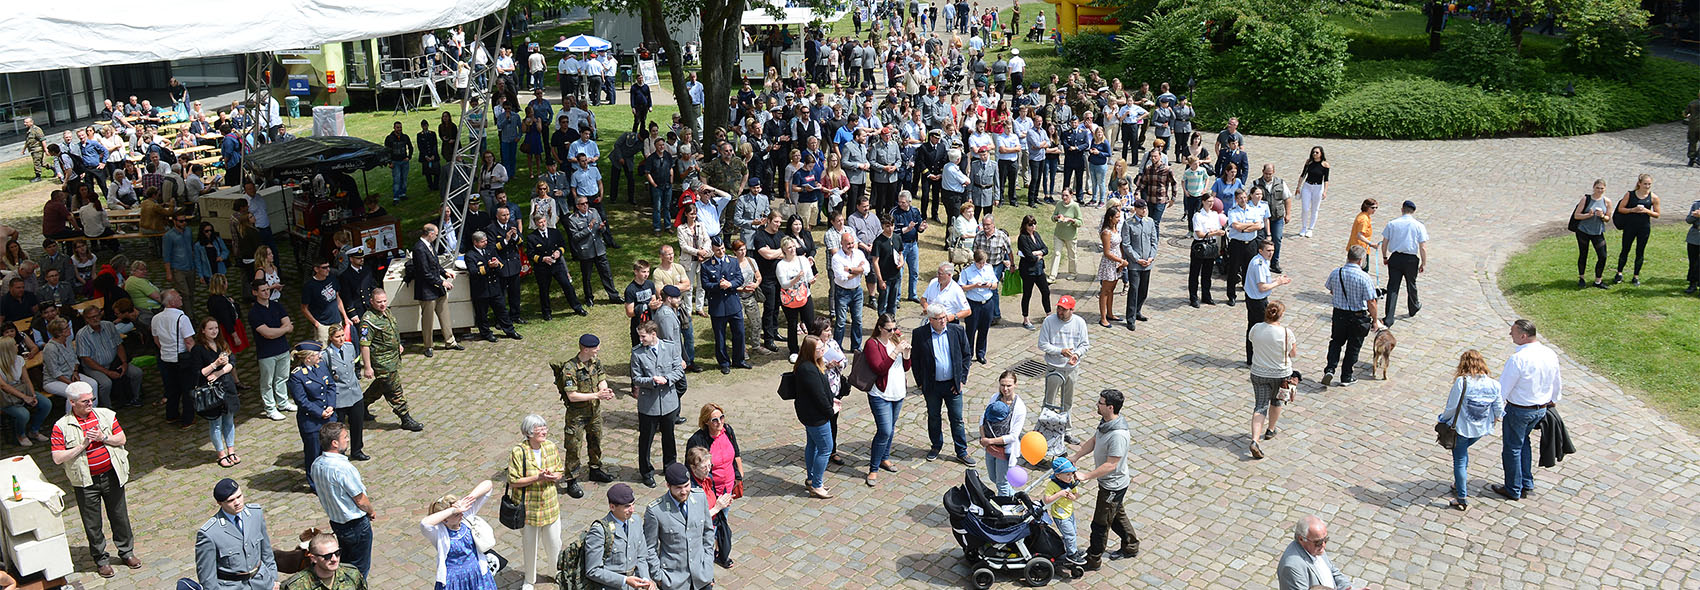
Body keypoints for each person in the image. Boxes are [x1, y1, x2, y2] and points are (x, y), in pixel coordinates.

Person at [49, 382, 138, 579]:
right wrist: (82, 445)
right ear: (72, 403)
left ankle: (127, 552)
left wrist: (103, 437)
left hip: (112, 475)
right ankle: (101, 560)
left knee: (120, 516)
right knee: (92, 523)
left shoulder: (105, 415)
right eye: (85, 401)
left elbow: (121, 439)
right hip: (85, 481)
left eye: (92, 400)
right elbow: (57, 458)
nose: (90, 403)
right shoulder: (61, 426)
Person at [1492, 319, 1561, 502]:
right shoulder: (1549, 353)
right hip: (1540, 409)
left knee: (1512, 448)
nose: (1510, 335)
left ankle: (1513, 488)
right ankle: (1526, 481)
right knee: (1524, 443)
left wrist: (1496, 412)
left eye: (1512, 332)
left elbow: (1503, 389)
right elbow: (1556, 380)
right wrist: (1553, 401)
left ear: (1523, 336)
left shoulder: (1518, 359)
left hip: (1519, 410)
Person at [1434, 349, 1507, 511]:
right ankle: (1458, 483)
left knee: (1459, 460)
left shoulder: (1462, 382)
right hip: (1480, 430)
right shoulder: (1494, 384)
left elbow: (1451, 407)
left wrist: (1442, 420)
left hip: (1461, 428)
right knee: (1463, 453)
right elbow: (1499, 410)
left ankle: (1461, 497)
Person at [553, 334, 617, 498]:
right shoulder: (570, 368)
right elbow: (572, 396)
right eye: (596, 347)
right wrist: (597, 395)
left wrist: (605, 390)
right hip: (577, 416)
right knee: (574, 447)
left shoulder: (595, 361)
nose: (598, 349)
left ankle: (595, 469)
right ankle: (571, 479)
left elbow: (601, 378)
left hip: (594, 412)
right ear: (586, 349)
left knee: (595, 441)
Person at [644, 462, 724, 590]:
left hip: (701, 576)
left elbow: (708, 531)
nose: (684, 491)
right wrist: (658, 576)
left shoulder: (699, 497)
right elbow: (649, 547)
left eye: (687, 486)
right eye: (678, 488)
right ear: (668, 485)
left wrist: (708, 563)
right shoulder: (656, 511)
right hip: (674, 581)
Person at [912, 304, 974, 465]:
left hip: (953, 384)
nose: (942, 321)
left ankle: (962, 451)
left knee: (957, 419)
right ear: (930, 320)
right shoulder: (919, 334)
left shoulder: (957, 331)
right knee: (933, 417)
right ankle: (936, 446)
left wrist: (961, 379)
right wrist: (920, 383)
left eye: (944, 317)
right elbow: (915, 360)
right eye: (938, 319)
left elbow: (966, 355)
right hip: (932, 386)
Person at [309, 423, 373, 577]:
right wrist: (371, 511)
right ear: (334, 443)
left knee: (344, 566)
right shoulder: (342, 468)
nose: (348, 440)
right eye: (345, 437)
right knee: (359, 570)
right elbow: (360, 499)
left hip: (337, 524)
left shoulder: (316, 464)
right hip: (355, 525)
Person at [508, 415, 564, 590]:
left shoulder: (550, 447)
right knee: (530, 546)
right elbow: (513, 481)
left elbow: (560, 471)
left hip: (550, 505)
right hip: (529, 508)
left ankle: (554, 573)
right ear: (529, 433)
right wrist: (537, 478)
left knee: (555, 543)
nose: (543, 432)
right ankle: (529, 579)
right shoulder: (518, 452)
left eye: (544, 428)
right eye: (539, 429)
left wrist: (555, 476)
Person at [685, 404, 744, 568]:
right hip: (711, 490)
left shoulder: (728, 430)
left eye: (722, 417)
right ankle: (707, 554)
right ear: (706, 422)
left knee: (722, 519)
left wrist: (739, 476)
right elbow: (691, 468)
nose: (720, 422)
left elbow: (735, 453)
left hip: (728, 487)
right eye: (715, 420)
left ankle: (719, 550)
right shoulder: (697, 440)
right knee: (711, 523)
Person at [358, 288, 424, 432]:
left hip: (393, 358)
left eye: (384, 301)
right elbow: (364, 345)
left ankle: (361, 405)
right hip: (382, 362)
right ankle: (405, 417)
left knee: (382, 385)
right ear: (371, 302)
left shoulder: (386, 312)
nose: (382, 304)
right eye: (379, 302)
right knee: (394, 390)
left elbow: (391, 331)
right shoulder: (368, 321)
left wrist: (397, 344)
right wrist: (367, 367)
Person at [194, 478, 278, 590]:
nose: (237, 503)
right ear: (220, 503)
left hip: (263, 583)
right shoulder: (210, 534)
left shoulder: (255, 514)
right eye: (231, 500)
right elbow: (207, 578)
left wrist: (273, 579)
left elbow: (266, 551)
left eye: (239, 496)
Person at [632, 321, 686, 488]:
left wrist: (667, 379)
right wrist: (652, 381)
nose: (641, 340)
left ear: (653, 334)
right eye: (640, 336)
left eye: (643, 336)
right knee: (646, 439)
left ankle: (670, 466)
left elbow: (679, 369)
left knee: (669, 437)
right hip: (649, 405)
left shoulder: (669, 348)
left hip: (669, 403)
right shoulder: (637, 353)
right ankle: (646, 472)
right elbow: (636, 378)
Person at [1321, 246, 1383, 388]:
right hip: (1358, 316)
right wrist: (1375, 320)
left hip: (1339, 314)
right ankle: (1346, 376)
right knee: (1353, 347)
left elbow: (1331, 289)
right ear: (1361, 260)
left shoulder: (1337, 272)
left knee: (1336, 342)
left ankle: (1330, 368)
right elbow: (1371, 302)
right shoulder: (1364, 277)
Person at [419, 479, 497, 590]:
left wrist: (467, 499)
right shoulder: (438, 531)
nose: (461, 515)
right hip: (454, 581)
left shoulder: (466, 516)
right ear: (444, 520)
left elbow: (488, 485)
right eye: (456, 515)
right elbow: (424, 523)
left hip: (477, 573)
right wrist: (451, 511)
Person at [1245, 299, 1298, 460]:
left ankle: (1254, 440)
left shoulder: (1256, 328)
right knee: (1276, 401)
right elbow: (1293, 354)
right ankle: (1270, 429)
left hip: (1259, 372)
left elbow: (1252, 341)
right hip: (1281, 374)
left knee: (1260, 406)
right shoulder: (1287, 333)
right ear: (1281, 315)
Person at [187, 318, 241, 466]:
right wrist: (214, 364)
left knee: (229, 420)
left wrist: (219, 372)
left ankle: (231, 450)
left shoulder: (221, 344)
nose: (214, 331)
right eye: (210, 328)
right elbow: (198, 373)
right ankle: (221, 454)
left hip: (226, 386)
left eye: (216, 328)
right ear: (203, 330)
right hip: (211, 391)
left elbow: (232, 363)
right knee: (216, 423)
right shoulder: (198, 349)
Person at [791, 336, 837, 498]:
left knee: (813, 445)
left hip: (810, 414)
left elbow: (823, 389)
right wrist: (831, 411)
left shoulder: (811, 364)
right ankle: (817, 484)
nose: (822, 350)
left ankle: (811, 479)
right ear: (810, 351)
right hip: (816, 416)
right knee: (826, 448)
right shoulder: (808, 369)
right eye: (819, 349)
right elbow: (818, 395)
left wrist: (832, 399)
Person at [409, 225, 463, 356]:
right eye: (436, 233)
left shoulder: (429, 245)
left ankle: (450, 341)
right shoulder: (419, 249)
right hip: (427, 290)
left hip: (437, 288)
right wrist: (442, 282)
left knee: (445, 315)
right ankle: (428, 345)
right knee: (428, 320)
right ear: (430, 233)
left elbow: (435, 264)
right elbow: (424, 272)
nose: (437, 236)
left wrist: (445, 273)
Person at [289, 342, 337, 486]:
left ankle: (330, 478)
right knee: (314, 454)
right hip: (312, 421)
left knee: (330, 451)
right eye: (317, 354)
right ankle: (315, 483)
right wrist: (320, 412)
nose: (320, 356)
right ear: (308, 358)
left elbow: (331, 386)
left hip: (328, 416)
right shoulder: (297, 375)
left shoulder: (321, 366)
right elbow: (302, 401)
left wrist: (330, 406)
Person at [76, 305, 142, 408]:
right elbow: (86, 359)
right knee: (106, 383)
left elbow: (119, 345)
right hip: (94, 368)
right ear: (86, 319)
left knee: (136, 373)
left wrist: (124, 363)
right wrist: (107, 372)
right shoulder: (82, 335)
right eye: (91, 317)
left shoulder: (109, 326)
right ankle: (107, 407)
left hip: (114, 362)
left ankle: (135, 398)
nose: (95, 319)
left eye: (97, 315)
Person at [700, 238, 750, 373]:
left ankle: (739, 360)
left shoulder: (733, 261)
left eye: (722, 248)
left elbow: (739, 279)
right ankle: (724, 363)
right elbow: (705, 285)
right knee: (720, 336)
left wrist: (730, 284)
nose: (721, 251)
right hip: (718, 306)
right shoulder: (706, 265)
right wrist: (718, 285)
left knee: (739, 333)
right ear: (713, 250)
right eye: (718, 250)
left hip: (733, 304)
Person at [1037, 294, 1089, 421]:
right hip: (1054, 367)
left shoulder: (1080, 322)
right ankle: (1045, 427)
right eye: (1059, 308)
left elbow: (1085, 344)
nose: (1060, 312)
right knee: (1049, 401)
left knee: (1067, 402)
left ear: (1072, 310)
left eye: (1064, 309)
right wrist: (1061, 351)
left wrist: (1076, 354)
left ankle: (1066, 430)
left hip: (1071, 369)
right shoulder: (1049, 321)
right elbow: (1042, 344)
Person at [1276, 515, 1365, 590]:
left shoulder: (1315, 548)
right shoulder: (1293, 567)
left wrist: (1348, 588)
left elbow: (1333, 572)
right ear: (1301, 539)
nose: (1323, 545)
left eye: (1326, 540)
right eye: (1318, 542)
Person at [1379, 200, 1429, 324]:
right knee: (1411, 284)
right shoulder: (1418, 225)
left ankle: (1389, 317)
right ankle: (1413, 307)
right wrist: (1423, 262)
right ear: (1413, 211)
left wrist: (1385, 257)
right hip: (1411, 259)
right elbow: (1422, 246)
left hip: (1395, 257)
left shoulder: (1392, 224)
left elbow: (1384, 243)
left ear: (1402, 209)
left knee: (1393, 287)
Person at [1243, 238, 1291, 366]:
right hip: (1257, 301)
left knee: (1253, 327)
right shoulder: (1259, 263)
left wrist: (1277, 279)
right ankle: (1256, 359)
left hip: (1255, 298)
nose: (1271, 253)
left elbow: (1265, 280)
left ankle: (1252, 358)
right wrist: (1278, 283)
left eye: (1272, 250)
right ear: (1260, 251)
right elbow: (1262, 287)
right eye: (1268, 250)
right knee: (1260, 330)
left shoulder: (1263, 261)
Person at [979, 371, 1027, 496]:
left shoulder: (1019, 408)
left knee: (1002, 483)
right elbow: (983, 418)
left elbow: (1013, 436)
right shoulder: (994, 398)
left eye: (1009, 385)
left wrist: (989, 441)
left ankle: (1005, 509)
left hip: (1005, 452)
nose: (1005, 389)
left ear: (1015, 385)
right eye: (1002, 385)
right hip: (990, 447)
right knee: (993, 478)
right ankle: (1014, 498)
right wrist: (984, 437)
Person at [1613, 173, 1661, 286]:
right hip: (1630, 226)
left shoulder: (1653, 197)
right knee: (1625, 249)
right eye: (1645, 184)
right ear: (1639, 183)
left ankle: (1636, 276)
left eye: (1649, 184)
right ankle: (1619, 273)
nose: (1647, 186)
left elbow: (1657, 214)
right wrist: (1632, 210)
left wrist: (1646, 211)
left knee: (1640, 251)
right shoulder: (1630, 194)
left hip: (1644, 227)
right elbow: (1621, 209)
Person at [0, 339, 50, 447]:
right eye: (14, 344)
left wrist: (33, 395)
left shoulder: (19, 360)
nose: (17, 345)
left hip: (22, 389)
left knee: (46, 404)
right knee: (23, 414)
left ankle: (34, 430)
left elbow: (26, 380)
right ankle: (20, 435)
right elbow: (4, 386)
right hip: (5, 397)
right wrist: (25, 397)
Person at [1118, 199, 1157, 330]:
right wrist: (1137, 259)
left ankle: (1138, 310)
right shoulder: (1128, 224)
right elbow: (1126, 244)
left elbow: (1154, 242)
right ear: (1136, 209)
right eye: (1141, 208)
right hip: (1135, 264)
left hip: (1147, 263)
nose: (1144, 210)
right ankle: (1130, 318)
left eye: (1145, 208)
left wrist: (1151, 257)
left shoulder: (1150, 222)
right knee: (1134, 289)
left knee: (1143, 290)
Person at [279, 532, 365, 590]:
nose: (334, 559)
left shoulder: (352, 574)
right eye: (327, 556)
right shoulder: (296, 586)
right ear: (313, 558)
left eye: (337, 553)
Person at [1040, 457, 1084, 562]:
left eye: (1071, 473)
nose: (1071, 477)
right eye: (1067, 474)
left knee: (1073, 532)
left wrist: (1073, 497)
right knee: (1070, 534)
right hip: (1060, 516)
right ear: (1058, 475)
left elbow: (1076, 493)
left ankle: (1070, 547)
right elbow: (1046, 500)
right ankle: (1072, 554)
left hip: (1069, 512)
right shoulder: (1052, 485)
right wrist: (1059, 494)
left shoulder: (1070, 482)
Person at [960, 249, 998, 363]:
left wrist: (990, 285)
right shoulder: (967, 271)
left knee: (984, 329)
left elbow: (995, 284)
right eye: (979, 263)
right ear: (974, 261)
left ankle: (981, 353)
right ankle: (968, 354)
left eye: (983, 263)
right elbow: (961, 287)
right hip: (973, 304)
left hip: (987, 303)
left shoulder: (989, 268)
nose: (981, 265)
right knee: (970, 330)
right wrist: (974, 286)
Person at [1016, 215, 1051, 329]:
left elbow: (1046, 249)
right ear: (1025, 225)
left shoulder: (1036, 235)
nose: (1033, 227)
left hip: (1039, 270)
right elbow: (1029, 256)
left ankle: (1048, 315)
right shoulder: (1023, 238)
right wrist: (1038, 255)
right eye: (1030, 224)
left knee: (1045, 291)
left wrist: (1037, 253)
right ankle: (1026, 319)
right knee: (1027, 294)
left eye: (1034, 224)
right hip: (1028, 271)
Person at [1095, 207, 1125, 328]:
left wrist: (1121, 261)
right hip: (1109, 264)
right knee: (1105, 291)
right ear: (1110, 218)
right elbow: (1107, 252)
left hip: (1117, 264)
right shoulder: (1106, 232)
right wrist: (1121, 260)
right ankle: (1103, 317)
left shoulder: (1115, 229)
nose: (1119, 219)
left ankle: (1110, 313)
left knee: (1111, 290)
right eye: (1117, 217)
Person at [1296, 146, 1329, 238]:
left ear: (1321, 154)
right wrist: (1298, 187)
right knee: (1305, 208)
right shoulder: (1309, 162)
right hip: (1307, 186)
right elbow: (1303, 175)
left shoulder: (1325, 165)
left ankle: (1310, 228)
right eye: (1313, 152)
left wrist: (1325, 191)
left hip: (1318, 187)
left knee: (1315, 209)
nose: (1315, 154)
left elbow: (1326, 179)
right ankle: (1304, 227)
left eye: (1317, 152)